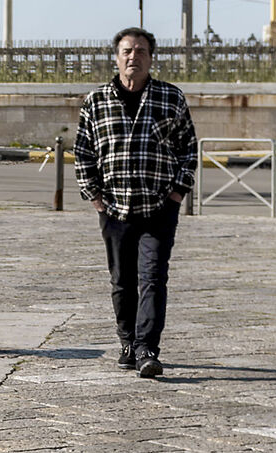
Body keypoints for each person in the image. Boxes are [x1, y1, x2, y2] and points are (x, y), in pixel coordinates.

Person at [74, 27, 197, 379]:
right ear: (117, 57)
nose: (134, 57)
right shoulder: (96, 102)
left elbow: (188, 148)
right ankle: (127, 340)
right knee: (122, 280)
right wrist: (94, 197)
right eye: (127, 51)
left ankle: (147, 348)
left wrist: (177, 193)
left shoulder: (170, 98)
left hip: (159, 207)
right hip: (114, 209)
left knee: (154, 278)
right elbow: (83, 153)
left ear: (151, 58)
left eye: (141, 51)